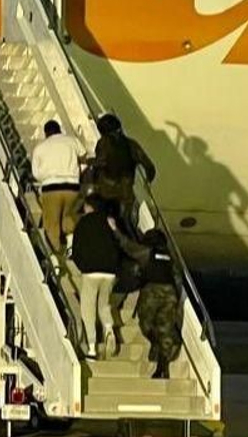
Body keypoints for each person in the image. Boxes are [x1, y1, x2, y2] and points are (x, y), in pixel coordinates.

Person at [70, 198, 127, 358]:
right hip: (110, 272)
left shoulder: (83, 223)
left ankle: (92, 347)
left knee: (87, 309)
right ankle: (108, 328)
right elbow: (119, 243)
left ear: (89, 207)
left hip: (91, 271)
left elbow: (76, 248)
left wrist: (82, 265)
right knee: (104, 305)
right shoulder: (110, 221)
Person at [89, 113, 157, 231]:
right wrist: (148, 181)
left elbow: (101, 162)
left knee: (107, 221)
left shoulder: (103, 142)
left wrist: (87, 161)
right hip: (126, 191)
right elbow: (149, 167)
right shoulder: (131, 144)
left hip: (107, 190)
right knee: (126, 222)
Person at [30, 120, 85, 256]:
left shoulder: (40, 148)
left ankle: (55, 257)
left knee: (52, 224)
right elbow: (83, 156)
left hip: (51, 188)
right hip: (72, 187)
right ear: (59, 129)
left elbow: (36, 174)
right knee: (68, 218)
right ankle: (72, 246)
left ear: (46, 133)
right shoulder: (72, 141)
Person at [135, 229, 181, 380]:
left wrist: (115, 231)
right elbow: (176, 275)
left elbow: (128, 248)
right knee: (164, 331)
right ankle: (162, 366)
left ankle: (160, 362)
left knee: (146, 325)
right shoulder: (170, 255)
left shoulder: (147, 252)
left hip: (152, 291)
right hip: (170, 293)